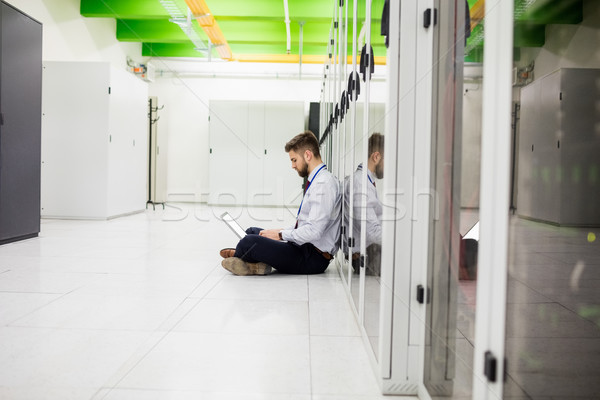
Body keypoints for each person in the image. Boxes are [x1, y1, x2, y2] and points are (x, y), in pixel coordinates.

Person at [219, 130, 341, 276]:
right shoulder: (318, 181)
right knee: (252, 231)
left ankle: (244, 256)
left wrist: (282, 235)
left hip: (312, 258)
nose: (293, 166)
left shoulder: (324, 184)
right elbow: (304, 224)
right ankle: (253, 262)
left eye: (294, 160)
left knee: (249, 242)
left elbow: (314, 231)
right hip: (303, 247)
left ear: (307, 155)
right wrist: (279, 231)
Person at [343, 133, 383, 275]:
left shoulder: (364, 180)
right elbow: (372, 232)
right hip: (366, 257)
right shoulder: (361, 184)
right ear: (376, 157)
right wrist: (399, 238)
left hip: (369, 250)